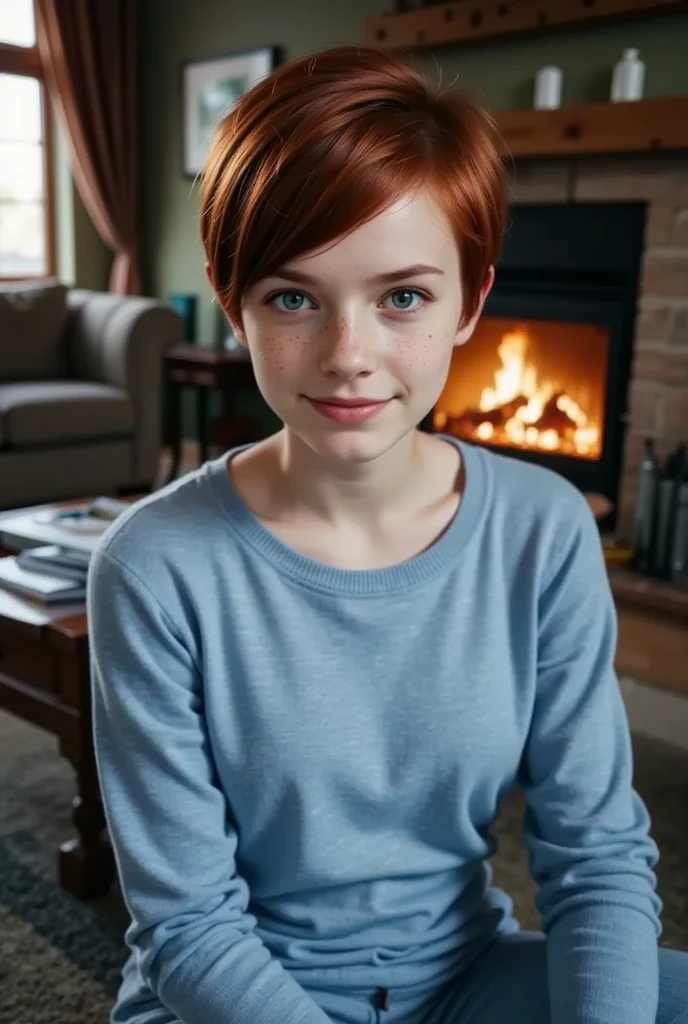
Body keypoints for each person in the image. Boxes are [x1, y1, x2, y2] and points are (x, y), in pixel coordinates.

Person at [89, 46, 688, 1024]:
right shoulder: (154, 566)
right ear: (233, 298)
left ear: (471, 301)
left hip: (464, 976)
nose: (347, 356)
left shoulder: (543, 531)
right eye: (293, 296)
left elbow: (596, 856)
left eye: (401, 295)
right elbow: (190, 926)